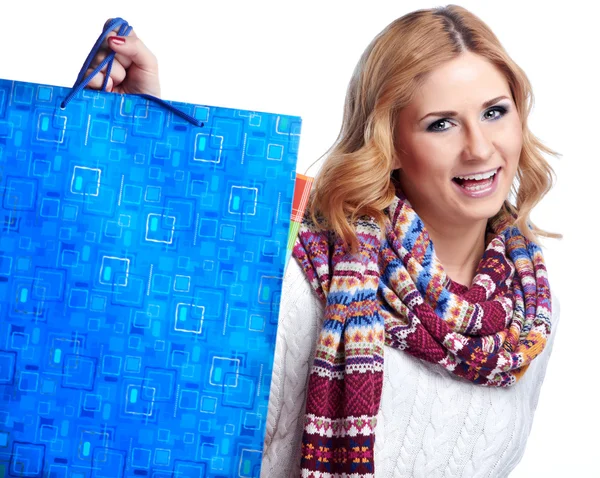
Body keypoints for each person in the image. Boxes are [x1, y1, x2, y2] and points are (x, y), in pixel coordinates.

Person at [88, 5, 561, 477]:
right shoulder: (305, 274)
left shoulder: (533, 311)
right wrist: (140, 139)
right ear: (390, 143)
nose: (479, 147)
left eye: (495, 112)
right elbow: (177, 418)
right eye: (441, 123)